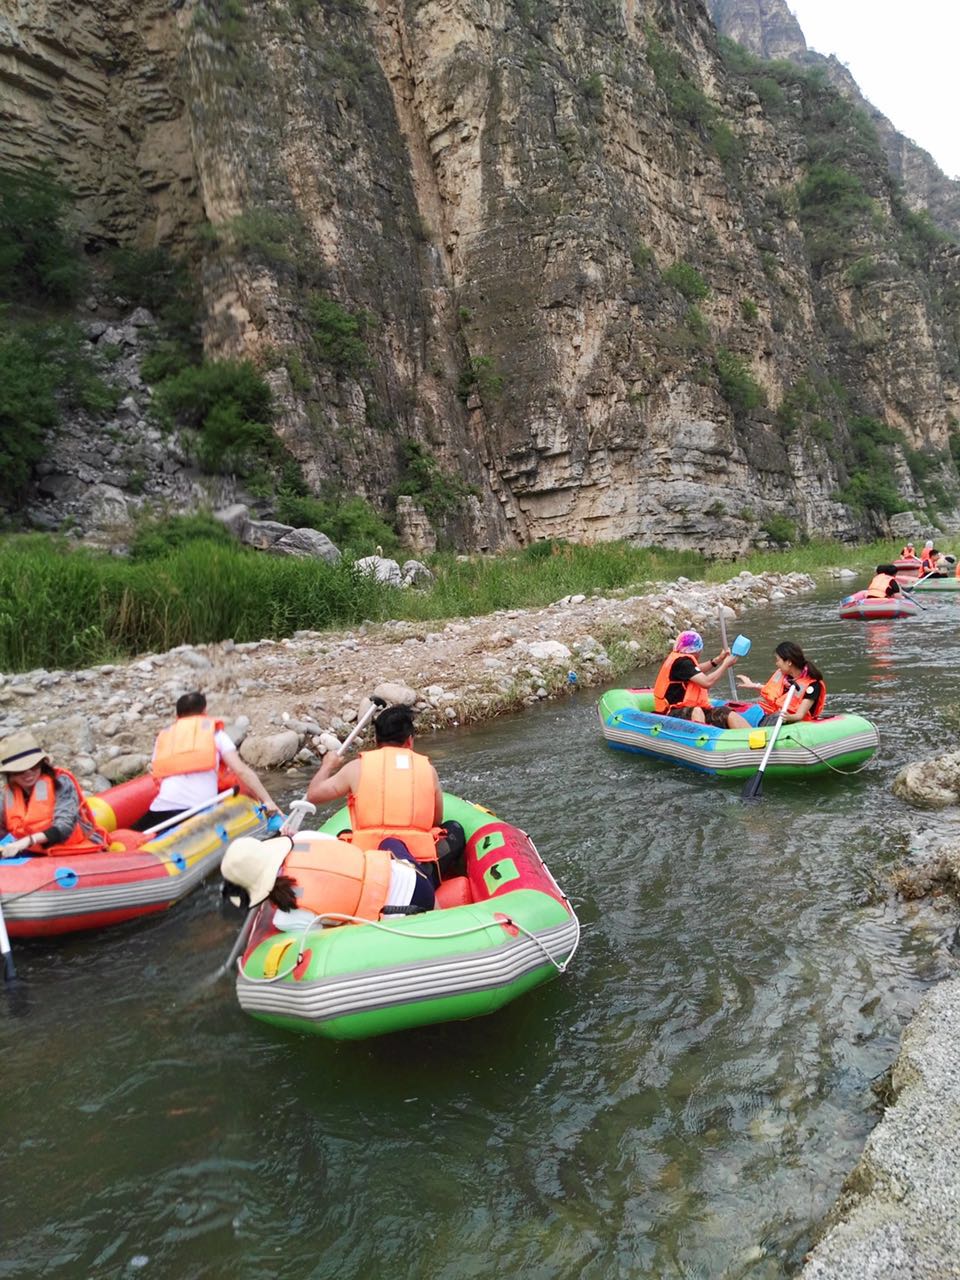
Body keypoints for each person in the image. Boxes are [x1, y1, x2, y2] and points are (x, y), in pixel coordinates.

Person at [304, 704, 465, 881]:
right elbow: (436, 821)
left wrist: (327, 765)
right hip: (419, 872)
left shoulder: (356, 768)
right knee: (454, 829)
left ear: (376, 740)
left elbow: (314, 795)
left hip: (370, 870)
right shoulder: (428, 770)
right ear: (410, 740)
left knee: (345, 833)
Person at [220, 830, 435, 925]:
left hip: (404, 915)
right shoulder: (303, 838)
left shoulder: (287, 917)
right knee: (390, 842)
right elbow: (343, 852)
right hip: (416, 881)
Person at [133, 691, 279, 831]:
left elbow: (156, 774)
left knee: (131, 837)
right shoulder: (215, 734)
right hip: (197, 809)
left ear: (177, 715)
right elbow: (241, 770)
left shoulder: (164, 737)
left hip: (161, 809)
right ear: (204, 711)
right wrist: (268, 801)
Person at [0, 731, 110, 857]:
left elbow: (64, 827)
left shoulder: (61, 783)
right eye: (20, 770)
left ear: (42, 763)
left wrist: (27, 841)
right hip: (34, 853)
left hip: (73, 849)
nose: (28, 773)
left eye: (34, 765)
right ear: (10, 773)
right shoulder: (6, 794)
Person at [651, 631, 750, 729]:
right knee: (697, 711)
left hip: (695, 709)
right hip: (674, 712)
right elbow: (707, 682)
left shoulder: (681, 659)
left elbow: (695, 670)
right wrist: (725, 664)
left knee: (727, 712)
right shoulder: (682, 663)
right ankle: (703, 736)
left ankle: (751, 734)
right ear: (697, 650)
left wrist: (718, 660)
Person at [736, 641, 826, 724]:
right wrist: (754, 685)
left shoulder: (813, 686)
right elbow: (773, 692)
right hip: (773, 714)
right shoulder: (786, 677)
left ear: (789, 662)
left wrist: (784, 717)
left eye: (778, 660)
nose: (776, 664)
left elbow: (799, 715)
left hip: (791, 721)